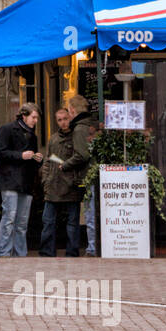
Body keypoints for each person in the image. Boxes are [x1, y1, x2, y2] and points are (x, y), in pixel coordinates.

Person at [0, 103, 41, 257]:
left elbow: (30, 158)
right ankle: (4, 253)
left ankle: (20, 254)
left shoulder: (33, 136)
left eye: (37, 118)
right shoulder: (7, 129)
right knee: (9, 218)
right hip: (9, 180)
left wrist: (37, 159)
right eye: (33, 117)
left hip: (26, 182)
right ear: (24, 116)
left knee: (22, 222)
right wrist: (21, 155)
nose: (35, 121)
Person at [40, 106, 82, 256]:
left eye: (65, 119)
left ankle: (72, 252)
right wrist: (45, 179)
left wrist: (73, 177)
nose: (63, 123)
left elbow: (81, 158)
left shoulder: (76, 137)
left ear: (70, 118)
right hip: (53, 184)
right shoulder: (54, 138)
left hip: (71, 185)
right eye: (60, 120)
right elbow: (48, 159)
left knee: (72, 223)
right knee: (48, 221)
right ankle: (47, 252)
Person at [67, 96, 99, 256]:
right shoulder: (93, 124)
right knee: (95, 211)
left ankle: (93, 248)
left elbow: (82, 155)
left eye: (68, 110)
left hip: (88, 175)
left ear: (72, 110)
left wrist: (65, 164)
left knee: (90, 212)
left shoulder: (79, 128)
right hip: (98, 174)